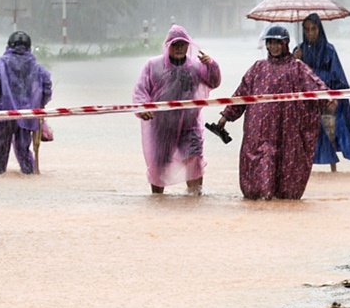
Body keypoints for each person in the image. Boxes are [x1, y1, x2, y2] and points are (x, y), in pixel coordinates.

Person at [206, 24, 334, 200]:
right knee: (262, 163)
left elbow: (316, 85)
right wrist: (225, 117)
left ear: (285, 44)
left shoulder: (297, 68)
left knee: (286, 167)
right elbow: (242, 94)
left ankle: (278, 205)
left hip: (286, 131)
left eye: (277, 43)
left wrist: (328, 98)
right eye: (270, 42)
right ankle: (263, 203)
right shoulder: (258, 68)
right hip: (259, 131)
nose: (273, 46)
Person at [132, 24, 221, 194]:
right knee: (159, 164)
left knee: (194, 159)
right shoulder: (153, 65)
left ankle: (195, 198)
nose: (179, 48)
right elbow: (141, 90)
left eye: (183, 44)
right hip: (161, 126)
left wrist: (211, 65)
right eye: (175, 44)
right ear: (168, 46)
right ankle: (157, 200)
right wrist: (143, 108)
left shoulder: (196, 66)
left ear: (188, 46)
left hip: (190, 125)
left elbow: (213, 82)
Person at [298, 13, 350, 172]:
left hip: (327, 101)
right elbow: (292, 77)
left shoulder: (329, 51)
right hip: (306, 103)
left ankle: (333, 167)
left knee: (330, 133)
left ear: (319, 29)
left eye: (313, 29)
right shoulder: (299, 51)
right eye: (307, 29)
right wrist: (295, 60)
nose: (310, 33)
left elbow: (337, 77)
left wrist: (313, 71)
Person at [0, 31, 52, 175]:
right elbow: (46, 88)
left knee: (0, 151)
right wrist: (40, 105)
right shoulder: (37, 67)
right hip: (27, 115)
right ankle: (30, 175)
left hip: (3, 114)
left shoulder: (0, 63)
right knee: (23, 150)